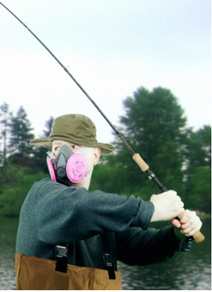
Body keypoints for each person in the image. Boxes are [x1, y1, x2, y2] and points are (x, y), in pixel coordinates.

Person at [15, 113, 203, 290]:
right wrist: (151, 209)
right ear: (51, 157)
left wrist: (177, 234)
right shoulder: (41, 196)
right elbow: (79, 207)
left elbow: (141, 247)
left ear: (95, 156)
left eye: (75, 146)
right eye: (57, 148)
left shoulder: (102, 213)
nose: (64, 154)